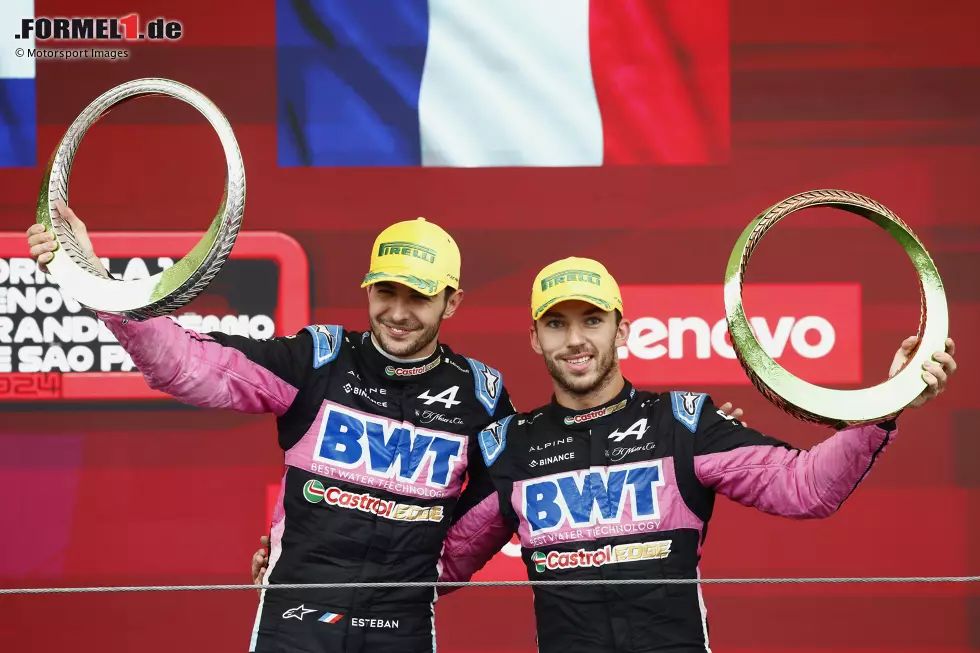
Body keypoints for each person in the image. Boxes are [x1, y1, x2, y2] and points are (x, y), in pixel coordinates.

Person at [25, 203, 517, 653]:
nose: (398, 312)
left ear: (451, 303)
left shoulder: (481, 394)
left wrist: (434, 570)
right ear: (368, 287)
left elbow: (503, 499)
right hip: (297, 620)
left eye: (420, 297)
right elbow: (189, 364)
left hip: (401, 624)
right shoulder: (319, 360)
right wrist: (94, 279)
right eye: (387, 291)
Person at [435, 257, 956, 653]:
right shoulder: (510, 445)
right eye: (556, 325)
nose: (575, 340)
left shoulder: (682, 421)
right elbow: (440, 564)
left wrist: (889, 400)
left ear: (622, 330)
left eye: (592, 320)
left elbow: (806, 488)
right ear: (534, 338)